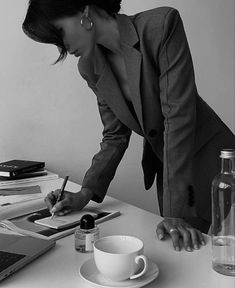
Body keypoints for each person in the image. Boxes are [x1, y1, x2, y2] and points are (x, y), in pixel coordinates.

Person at [22, 0, 235, 252]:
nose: (63, 47)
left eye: (59, 34)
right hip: (172, 176)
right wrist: (85, 193)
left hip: (217, 166)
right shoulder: (89, 66)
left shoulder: (160, 26)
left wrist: (175, 211)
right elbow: (114, 135)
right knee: (188, 258)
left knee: (227, 259)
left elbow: (178, 117)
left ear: (84, 11)